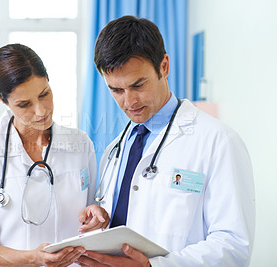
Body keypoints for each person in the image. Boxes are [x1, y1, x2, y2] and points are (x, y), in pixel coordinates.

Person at [77, 16, 255, 267]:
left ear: (164, 66)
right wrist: (99, 218)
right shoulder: (115, 150)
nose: (129, 102)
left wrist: (153, 266)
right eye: (116, 90)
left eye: (138, 85)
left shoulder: (218, 142)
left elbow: (234, 246)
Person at [0, 43, 109, 266]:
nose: (41, 111)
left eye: (44, 94)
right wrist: (33, 259)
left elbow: (94, 215)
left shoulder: (80, 144)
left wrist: (97, 216)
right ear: (3, 101)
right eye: (24, 104)